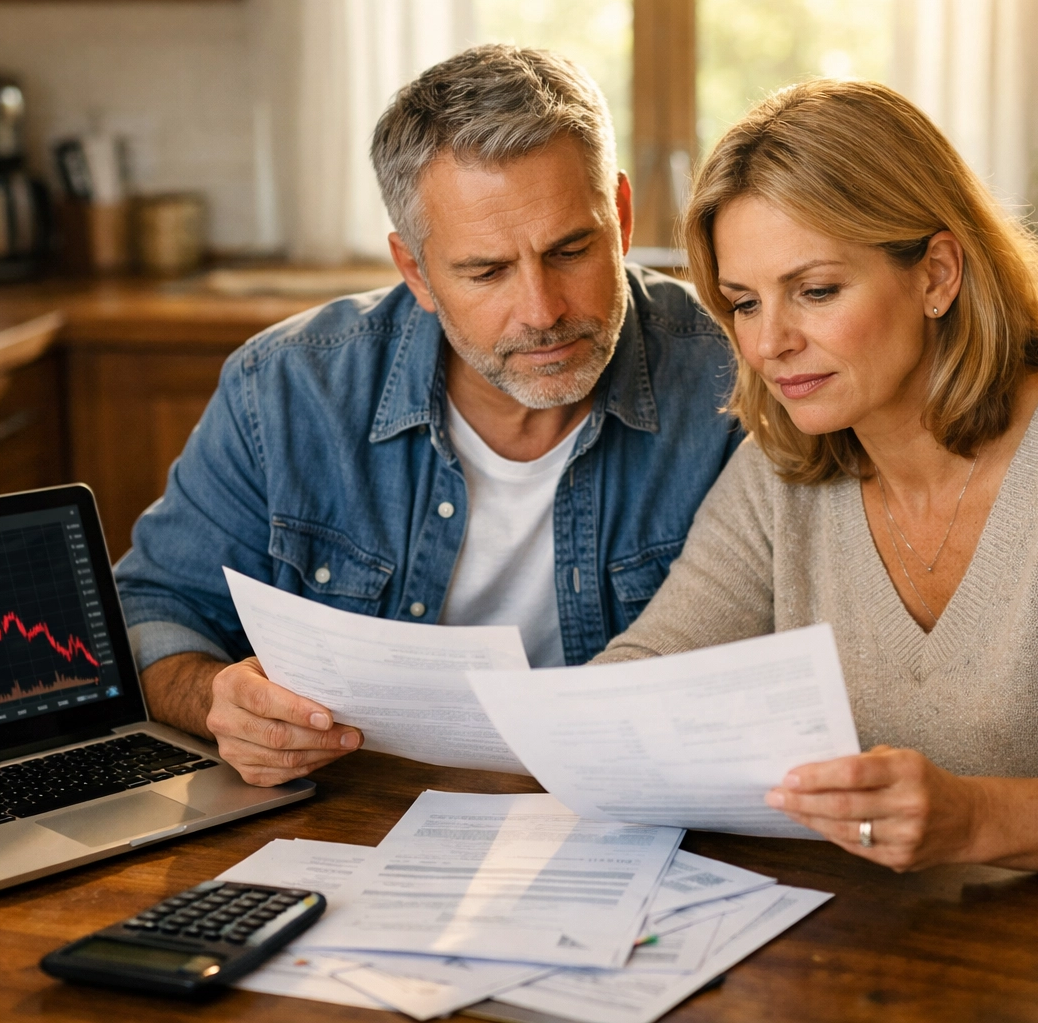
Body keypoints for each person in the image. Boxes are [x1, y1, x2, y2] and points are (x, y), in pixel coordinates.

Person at [595, 78, 1038, 883]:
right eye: (745, 303)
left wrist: (976, 819)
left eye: (815, 291)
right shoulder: (779, 469)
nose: (769, 343)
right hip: (866, 961)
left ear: (937, 275)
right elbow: (640, 680)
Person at [114, 45, 742, 789]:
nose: (543, 312)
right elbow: (151, 608)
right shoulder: (284, 390)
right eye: (487, 271)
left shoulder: (735, 379)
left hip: (636, 816)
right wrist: (218, 699)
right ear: (414, 270)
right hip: (361, 817)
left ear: (623, 215)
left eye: (571, 249)